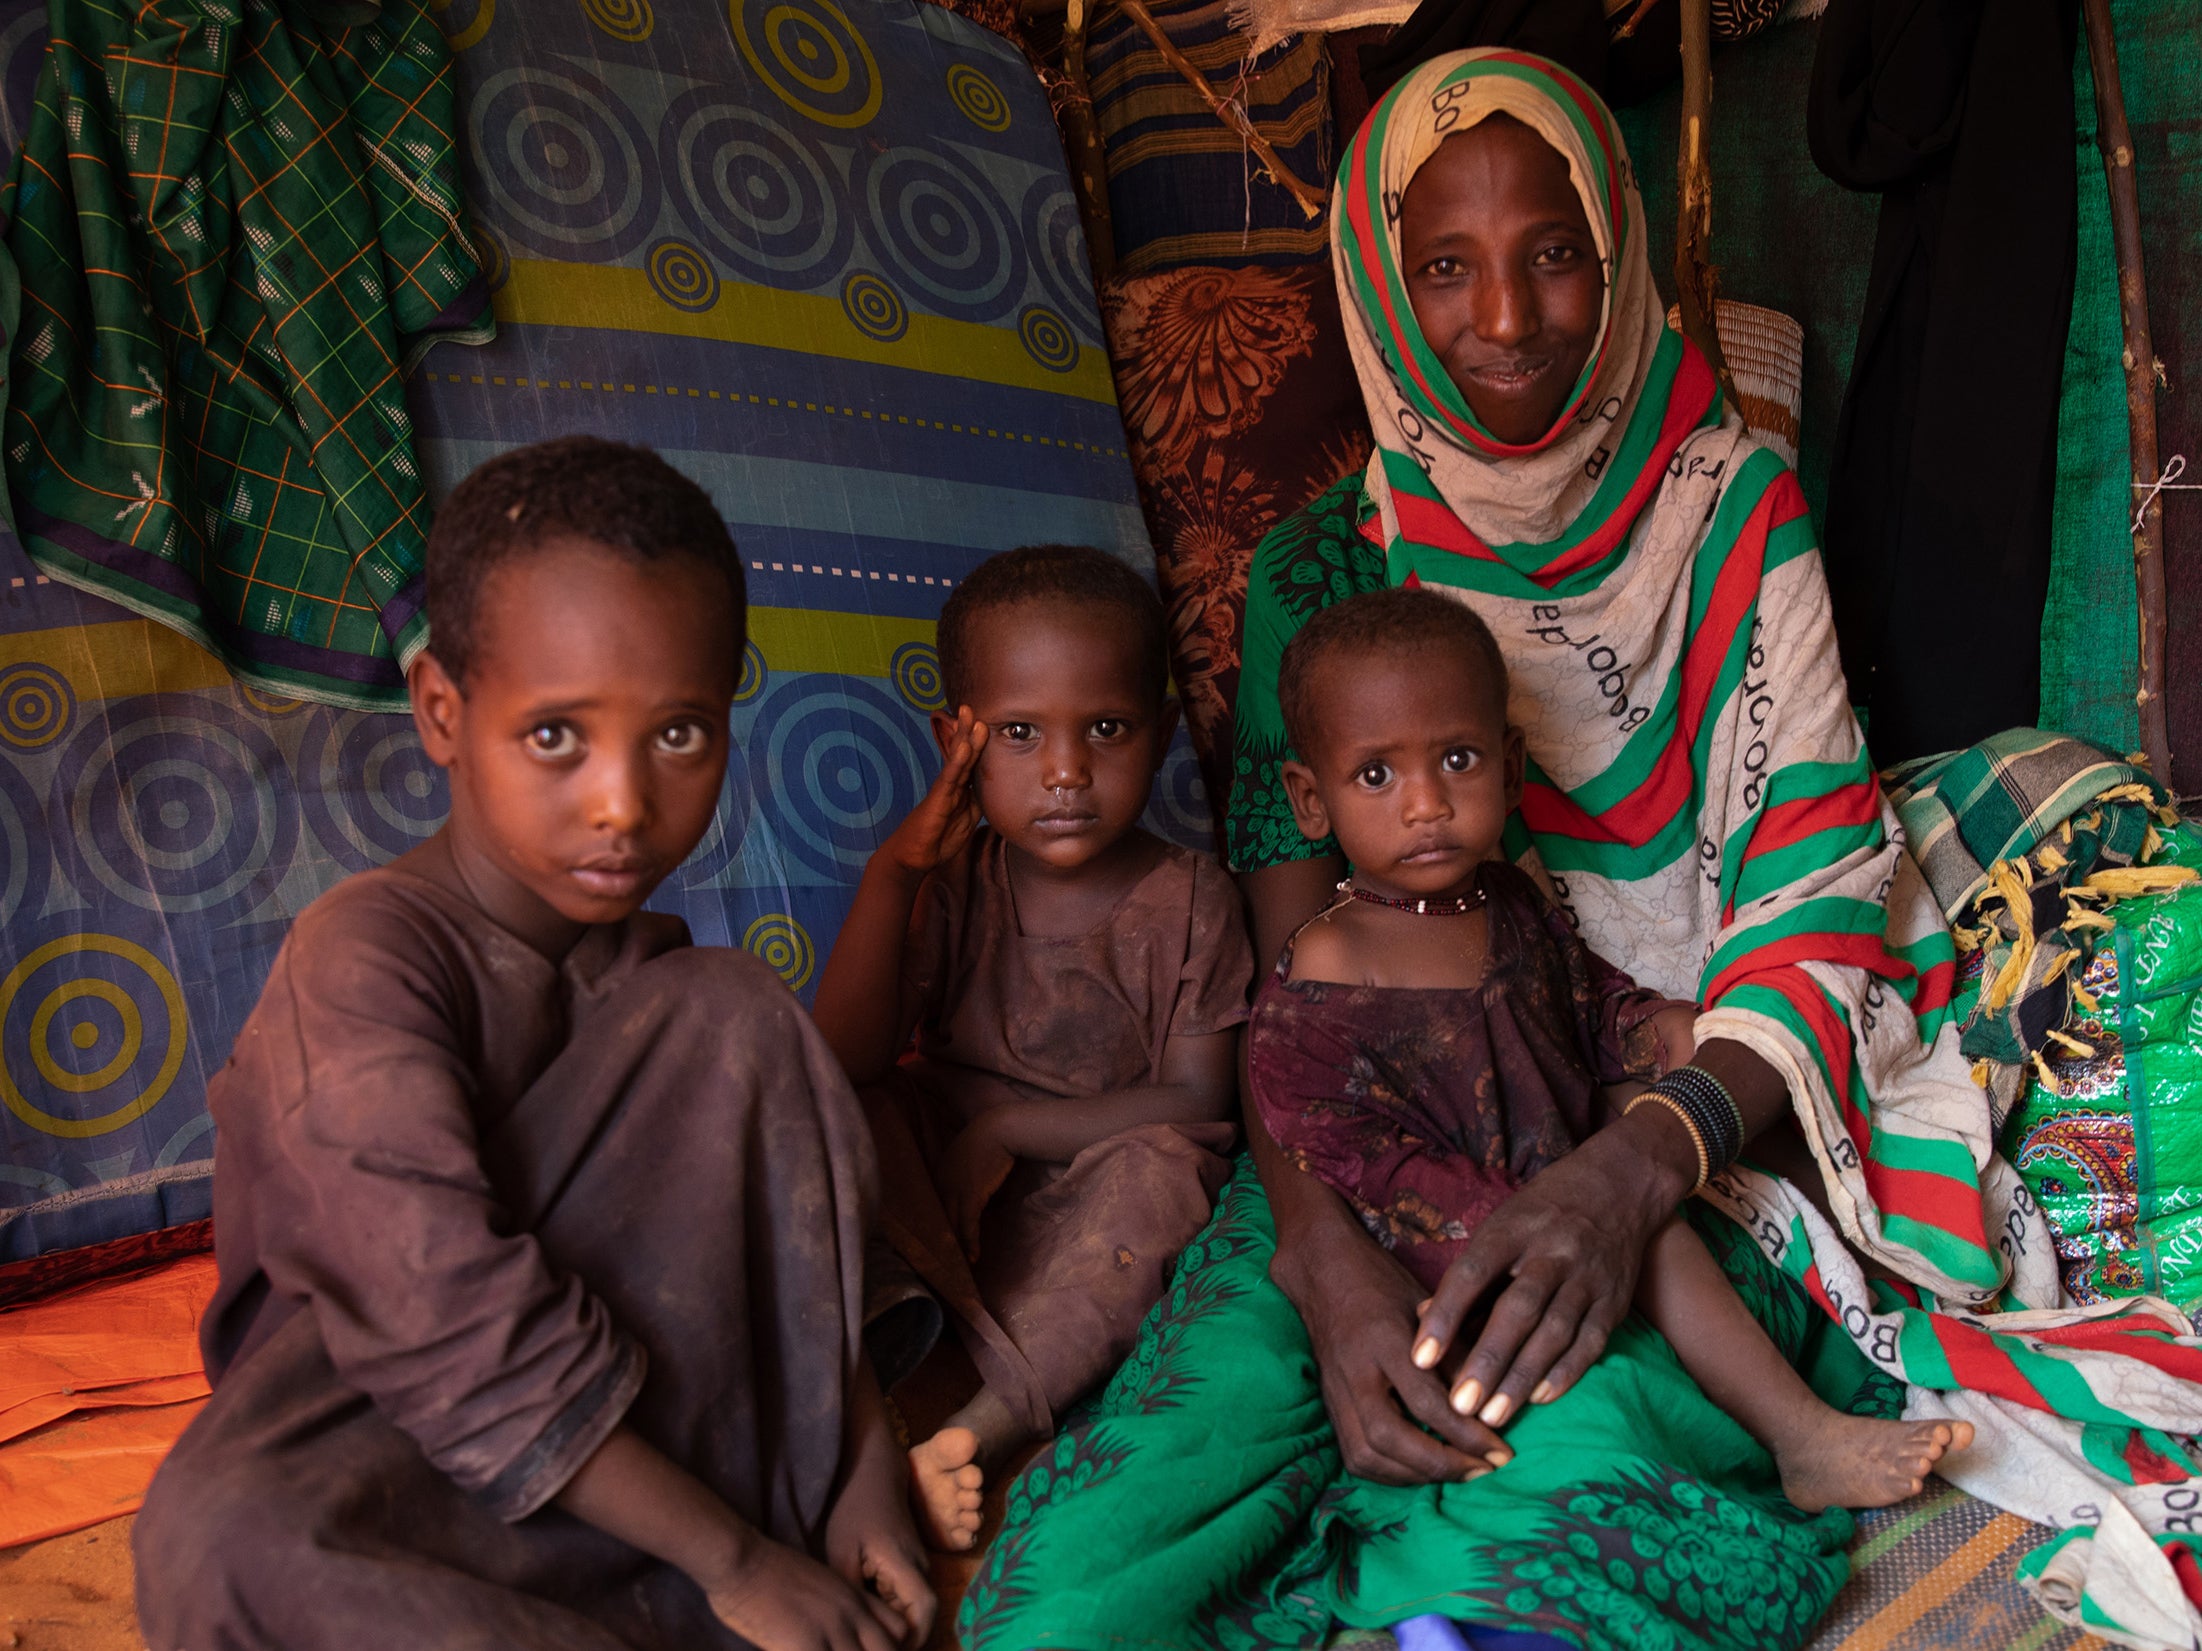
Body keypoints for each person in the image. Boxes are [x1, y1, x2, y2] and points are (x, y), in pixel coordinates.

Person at [960, 49, 2202, 1651]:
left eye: (1551, 253)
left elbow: (1812, 876)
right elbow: (1293, 1003)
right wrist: (1332, 1281)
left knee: (1559, 1500)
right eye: (1444, 266)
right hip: (1354, 1137)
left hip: (1673, 1120)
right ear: (1380, 286)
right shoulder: (1326, 571)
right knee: (1086, 1571)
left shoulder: (1731, 505)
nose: (1504, 317)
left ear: (1611, 257)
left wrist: (1630, 1171)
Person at [134, 436, 933, 1651]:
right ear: (444, 713)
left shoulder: (680, 992)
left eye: (678, 735)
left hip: (654, 1447)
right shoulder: (361, 960)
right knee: (219, 1538)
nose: (621, 800)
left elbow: (788, 1251)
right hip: (398, 1432)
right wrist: (735, 1561)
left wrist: (862, 1471)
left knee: (735, 1008)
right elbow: (437, 1325)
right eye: (557, 735)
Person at [1256, 586, 1971, 1513]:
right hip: (1441, 1223)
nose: (1427, 803)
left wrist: (1653, 1027)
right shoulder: (1331, 957)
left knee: (1677, 1170)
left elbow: (1580, 997)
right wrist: (1490, 1202)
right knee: (1621, 1257)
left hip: (1558, 1157)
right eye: (1378, 777)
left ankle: (1854, 1363)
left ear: (1511, 770)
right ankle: (1767, 1438)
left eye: (1458, 759)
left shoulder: (1507, 903)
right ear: (1312, 800)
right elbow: (1319, 1124)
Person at [811, 545, 1250, 1552]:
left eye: (1106, 728)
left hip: (1095, 1187)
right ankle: (863, 1400)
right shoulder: (957, 881)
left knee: (1171, 1175)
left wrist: (1007, 1126)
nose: (1065, 770)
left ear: (1164, 734)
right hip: (943, 1185)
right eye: (1018, 732)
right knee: (838, 1114)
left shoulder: (1190, 899)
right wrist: (895, 871)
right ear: (954, 741)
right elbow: (848, 1057)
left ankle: (973, 1432)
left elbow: (1196, 1098)